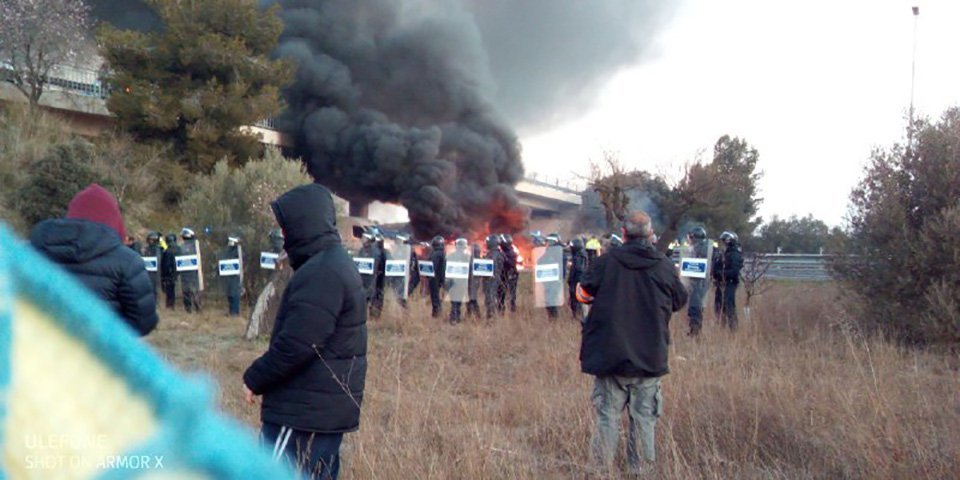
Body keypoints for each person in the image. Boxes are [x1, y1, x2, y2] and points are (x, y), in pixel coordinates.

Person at [242, 183, 367, 480]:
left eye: (286, 227)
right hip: (319, 412)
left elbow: (298, 344)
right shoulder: (331, 264)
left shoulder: (322, 272)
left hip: (301, 414)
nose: (283, 236)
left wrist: (254, 378)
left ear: (302, 224)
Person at [575, 210, 687, 474]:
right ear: (650, 235)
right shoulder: (664, 265)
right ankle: (641, 473)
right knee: (644, 421)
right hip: (649, 358)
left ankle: (601, 472)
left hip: (610, 357)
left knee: (606, 419)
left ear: (623, 234)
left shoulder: (605, 262)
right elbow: (679, 300)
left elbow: (582, 294)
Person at [29, 183, 158, 336]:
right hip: (101, 353)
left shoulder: (34, 252)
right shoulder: (127, 262)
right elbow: (144, 322)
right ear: (114, 221)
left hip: (44, 352)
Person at [716, 231, 744, 330]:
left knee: (729, 306)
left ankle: (733, 329)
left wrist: (720, 273)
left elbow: (734, 272)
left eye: (723, 241)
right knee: (719, 306)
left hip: (730, 283)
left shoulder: (734, 254)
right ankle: (721, 328)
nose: (721, 244)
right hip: (722, 284)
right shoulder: (724, 253)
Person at [686, 227, 710, 337]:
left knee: (695, 307)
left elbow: (697, 266)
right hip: (698, 283)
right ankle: (693, 330)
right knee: (695, 307)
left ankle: (695, 332)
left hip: (698, 283)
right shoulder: (701, 247)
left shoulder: (700, 249)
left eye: (692, 237)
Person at [180, 227, 202, 313]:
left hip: (192, 272)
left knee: (192, 289)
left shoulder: (195, 245)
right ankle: (190, 307)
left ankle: (195, 307)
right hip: (187, 272)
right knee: (189, 290)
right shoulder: (184, 246)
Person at [219, 236, 243, 316]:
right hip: (228, 276)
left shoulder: (238, 251)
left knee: (234, 294)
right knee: (230, 293)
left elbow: (240, 262)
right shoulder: (228, 251)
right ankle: (231, 311)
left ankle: (235, 312)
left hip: (235, 276)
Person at [482, 234, 503, 320]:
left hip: (491, 280)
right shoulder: (497, 253)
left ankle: (490, 317)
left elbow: (491, 268)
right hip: (494, 279)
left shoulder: (492, 255)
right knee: (491, 298)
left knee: (490, 298)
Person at [567, 237, 588, 320]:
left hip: (577, 282)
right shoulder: (577, 255)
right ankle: (575, 315)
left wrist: (577, 283)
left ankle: (579, 317)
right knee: (574, 301)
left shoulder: (580, 256)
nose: (570, 248)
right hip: (574, 282)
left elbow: (580, 270)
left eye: (572, 246)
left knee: (578, 302)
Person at [499, 234, 519, 313]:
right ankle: (507, 310)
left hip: (509, 276)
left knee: (507, 294)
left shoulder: (509, 253)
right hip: (510, 275)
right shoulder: (509, 252)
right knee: (507, 294)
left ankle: (507, 310)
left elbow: (508, 264)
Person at [428, 236, 447, 318]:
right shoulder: (442, 253)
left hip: (435, 278)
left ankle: (436, 314)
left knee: (435, 296)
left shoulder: (436, 254)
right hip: (440, 277)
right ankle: (437, 312)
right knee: (437, 296)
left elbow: (433, 266)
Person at [161, 233, 180, 309]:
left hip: (169, 273)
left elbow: (166, 264)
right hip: (179, 272)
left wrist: (163, 275)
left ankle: (170, 305)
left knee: (170, 290)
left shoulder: (167, 250)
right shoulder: (179, 248)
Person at [142, 231, 163, 298]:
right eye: (149, 240)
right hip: (147, 272)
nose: (150, 241)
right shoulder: (146, 249)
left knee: (154, 289)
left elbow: (158, 261)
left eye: (151, 240)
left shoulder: (158, 249)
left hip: (155, 273)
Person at [466, 243, 482, 318]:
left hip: (472, 283)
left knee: (472, 299)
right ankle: (472, 314)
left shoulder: (472, 261)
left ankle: (474, 314)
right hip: (474, 283)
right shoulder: (480, 261)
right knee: (471, 299)